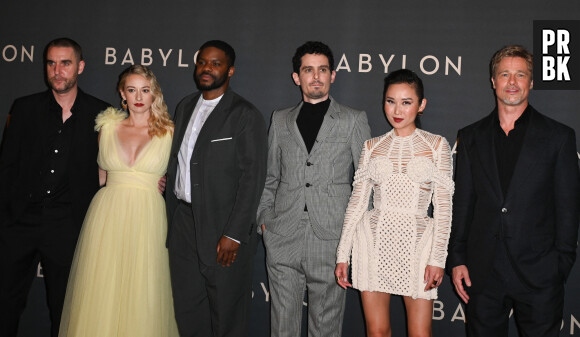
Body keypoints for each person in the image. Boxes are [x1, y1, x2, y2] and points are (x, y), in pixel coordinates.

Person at [447, 45, 580, 337]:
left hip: (540, 275)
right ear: (493, 81)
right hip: (482, 274)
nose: (512, 82)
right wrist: (457, 258)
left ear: (531, 82)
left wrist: (560, 266)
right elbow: (464, 202)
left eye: (520, 75)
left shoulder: (558, 137)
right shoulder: (470, 137)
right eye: (504, 74)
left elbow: (568, 208)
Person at [257, 41, 371, 337]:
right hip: (282, 233)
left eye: (323, 70)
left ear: (333, 75)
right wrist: (265, 221)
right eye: (308, 70)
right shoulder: (280, 119)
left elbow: (365, 182)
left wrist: (354, 237)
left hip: (331, 237)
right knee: (282, 325)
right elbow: (270, 176)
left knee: (325, 326)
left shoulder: (353, 119)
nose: (316, 76)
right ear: (297, 77)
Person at [0, 38, 110, 337]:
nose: (57, 71)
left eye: (65, 63)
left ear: (80, 66)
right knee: (5, 305)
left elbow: (116, 164)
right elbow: (7, 167)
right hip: (19, 222)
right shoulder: (24, 108)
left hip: (67, 225)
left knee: (64, 308)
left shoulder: (102, 114)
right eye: (51, 63)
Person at [58, 65, 178, 336]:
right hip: (107, 214)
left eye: (145, 90)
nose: (138, 96)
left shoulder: (170, 132)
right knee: (103, 288)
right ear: (122, 94)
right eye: (132, 89)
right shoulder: (108, 127)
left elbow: (184, 178)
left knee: (143, 289)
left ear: (154, 95)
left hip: (148, 215)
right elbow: (100, 178)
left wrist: (166, 183)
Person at [335, 69, 454, 337]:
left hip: (418, 245)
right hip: (372, 243)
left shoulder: (437, 146)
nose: (397, 110)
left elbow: (444, 208)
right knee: (376, 331)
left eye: (406, 102)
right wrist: (343, 255)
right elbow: (357, 204)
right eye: (390, 101)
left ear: (421, 105)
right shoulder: (371, 147)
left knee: (420, 333)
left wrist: (438, 258)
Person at [166, 40, 267, 337]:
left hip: (223, 227)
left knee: (226, 315)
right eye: (202, 62)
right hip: (183, 223)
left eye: (215, 63)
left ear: (230, 70)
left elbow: (253, 177)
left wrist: (234, 233)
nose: (206, 68)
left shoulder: (245, 114)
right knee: (187, 310)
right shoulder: (184, 106)